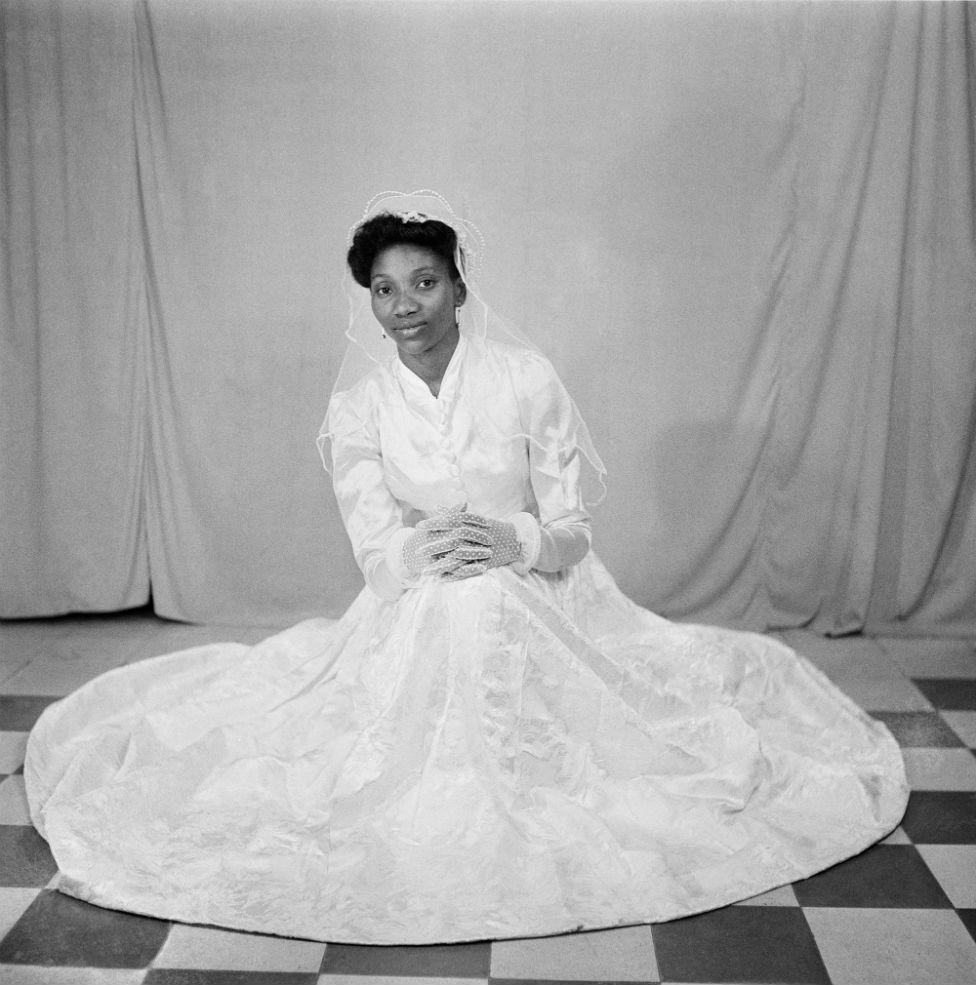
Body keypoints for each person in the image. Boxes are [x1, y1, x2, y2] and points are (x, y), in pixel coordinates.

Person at [25, 190, 908, 946]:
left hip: (550, 595)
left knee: (501, 607)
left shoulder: (525, 378)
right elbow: (375, 549)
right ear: (366, 301)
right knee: (448, 613)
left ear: (458, 284)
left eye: (423, 282)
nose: (403, 305)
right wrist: (417, 553)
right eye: (382, 289)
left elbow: (570, 531)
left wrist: (512, 539)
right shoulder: (362, 405)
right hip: (419, 598)